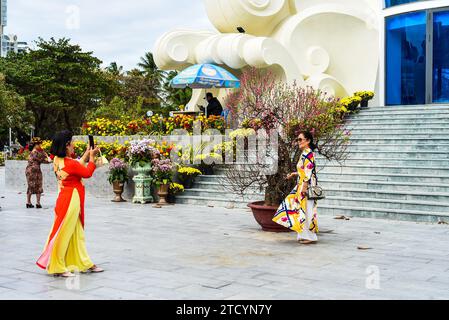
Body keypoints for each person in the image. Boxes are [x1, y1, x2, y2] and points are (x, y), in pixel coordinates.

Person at [36, 131, 104, 277]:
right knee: (65, 233)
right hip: (71, 200)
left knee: (74, 232)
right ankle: (58, 266)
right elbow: (86, 173)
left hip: (65, 198)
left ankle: (84, 262)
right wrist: (91, 158)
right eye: (71, 142)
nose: (73, 144)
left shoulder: (58, 160)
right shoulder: (70, 163)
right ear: (66, 145)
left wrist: (86, 154)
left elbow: (76, 166)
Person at [272, 131, 319, 244]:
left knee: (306, 209)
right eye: (297, 139)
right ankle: (303, 234)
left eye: (300, 139)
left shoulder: (308, 153)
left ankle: (310, 237)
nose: (298, 142)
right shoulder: (305, 153)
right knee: (300, 209)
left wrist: (304, 187)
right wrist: (295, 173)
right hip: (302, 184)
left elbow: (308, 172)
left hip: (305, 185)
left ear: (308, 140)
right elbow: (305, 170)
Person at [25, 137, 51, 209]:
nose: (40, 145)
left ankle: (33, 202)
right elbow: (44, 160)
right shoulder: (35, 152)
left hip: (34, 170)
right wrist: (47, 157)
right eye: (39, 144)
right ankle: (33, 202)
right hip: (32, 170)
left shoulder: (37, 151)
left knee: (35, 186)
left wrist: (46, 155)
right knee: (34, 186)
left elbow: (45, 158)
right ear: (35, 144)